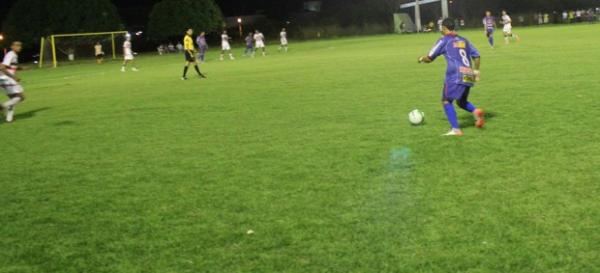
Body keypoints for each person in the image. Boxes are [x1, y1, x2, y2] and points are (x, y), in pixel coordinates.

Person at [418, 19, 485, 136]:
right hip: (468, 73)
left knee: (446, 101)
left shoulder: (444, 40)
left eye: (441, 27)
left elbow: (429, 58)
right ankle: (476, 111)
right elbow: (477, 56)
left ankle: (456, 129)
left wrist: (420, 59)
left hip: (455, 75)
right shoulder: (464, 40)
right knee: (461, 102)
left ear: (444, 28)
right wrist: (476, 71)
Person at [0, 41, 25, 123]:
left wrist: (19, 68)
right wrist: (14, 77)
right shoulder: (11, 54)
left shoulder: (13, 55)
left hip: (3, 79)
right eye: (17, 45)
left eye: (20, 45)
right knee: (21, 97)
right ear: (12, 46)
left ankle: (9, 119)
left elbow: (10, 66)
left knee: (13, 99)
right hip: (7, 78)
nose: (19, 47)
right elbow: (2, 67)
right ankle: (2, 106)